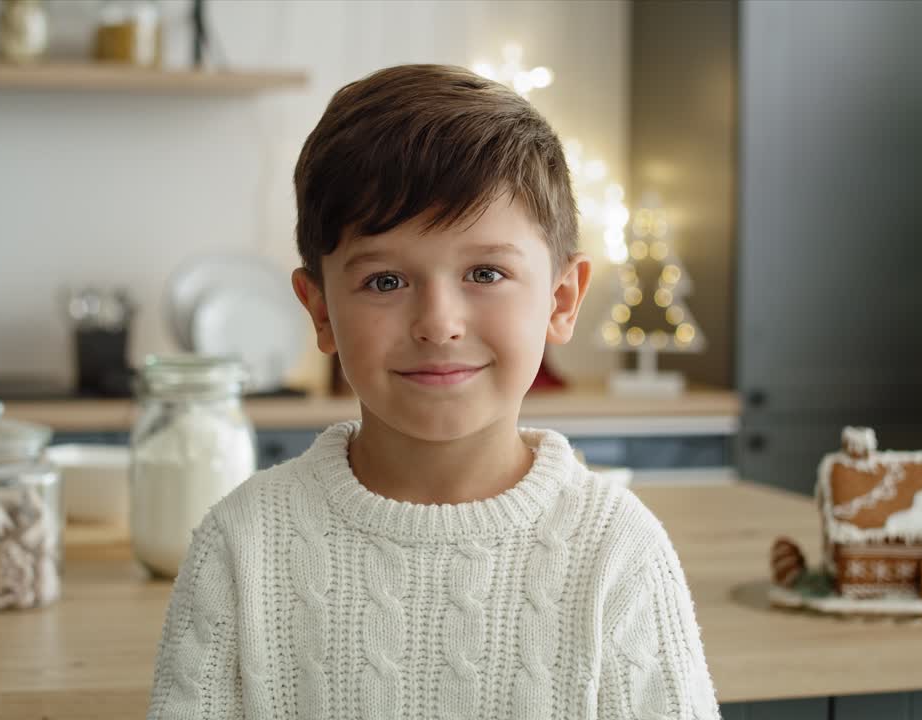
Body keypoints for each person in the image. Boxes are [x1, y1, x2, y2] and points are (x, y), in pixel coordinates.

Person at [147, 63, 720, 720]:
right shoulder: (241, 545)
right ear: (322, 313)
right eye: (386, 282)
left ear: (561, 300)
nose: (439, 324)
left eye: (485, 272)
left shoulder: (619, 552)